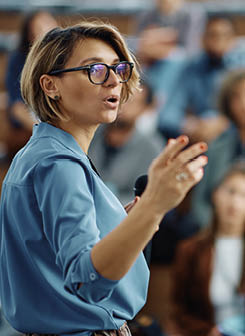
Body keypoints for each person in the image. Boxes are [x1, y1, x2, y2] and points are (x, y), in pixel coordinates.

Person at [0, 21, 208, 336]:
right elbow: (87, 281)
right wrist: (153, 206)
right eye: (95, 70)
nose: (113, 81)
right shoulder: (59, 164)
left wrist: (122, 226)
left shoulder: (41, 154)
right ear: (50, 85)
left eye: (118, 68)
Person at [166, 160, 245, 336]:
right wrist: (210, 331)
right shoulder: (191, 250)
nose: (235, 202)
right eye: (231, 191)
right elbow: (179, 312)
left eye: (243, 195)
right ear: (216, 194)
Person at [88, 80, 163, 205]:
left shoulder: (151, 147)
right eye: (121, 98)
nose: (124, 106)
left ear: (145, 108)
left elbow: (145, 197)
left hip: (123, 216)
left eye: (133, 102)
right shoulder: (90, 132)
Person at [192, 68, 245, 228]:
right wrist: (215, 232)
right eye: (236, 96)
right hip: (216, 234)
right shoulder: (217, 147)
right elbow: (200, 202)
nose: (243, 103)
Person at [5, 10, 58, 157]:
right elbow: (17, 108)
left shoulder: (63, 58)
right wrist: (44, 131)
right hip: (30, 125)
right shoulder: (18, 61)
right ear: (30, 36)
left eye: (48, 24)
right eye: (39, 28)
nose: (46, 31)